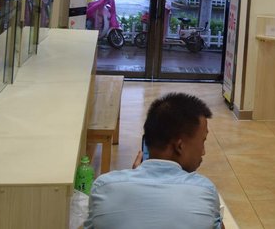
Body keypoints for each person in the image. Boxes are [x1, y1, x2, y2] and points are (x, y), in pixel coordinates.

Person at [85, 92, 223, 229]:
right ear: (180, 146)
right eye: (203, 141)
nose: (203, 151)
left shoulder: (103, 187)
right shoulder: (204, 191)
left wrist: (135, 177)